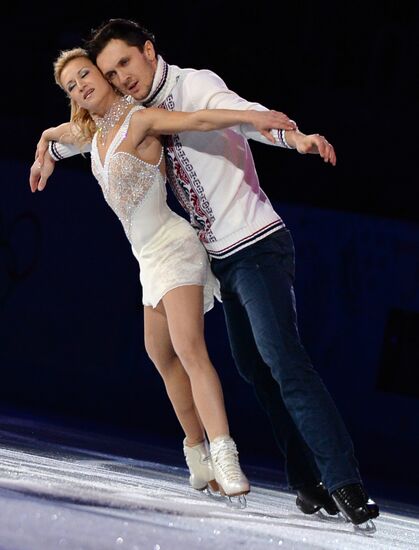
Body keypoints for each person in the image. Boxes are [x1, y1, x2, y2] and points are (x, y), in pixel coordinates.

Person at [31, 19, 379, 527]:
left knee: (281, 358)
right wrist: (45, 153)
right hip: (214, 255)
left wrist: (294, 137)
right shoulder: (132, 116)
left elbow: (236, 116)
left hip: (255, 243)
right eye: (109, 72)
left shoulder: (194, 85)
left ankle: (345, 481)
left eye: (124, 63)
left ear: (148, 51)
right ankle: (306, 481)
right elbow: (79, 137)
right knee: (254, 370)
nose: (120, 76)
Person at [38, 46, 294, 500]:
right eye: (71, 86)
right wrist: (44, 153)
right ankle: (198, 456)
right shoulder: (89, 132)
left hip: (175, 247)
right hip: (147, 258)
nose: (81, 85)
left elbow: (197, 121)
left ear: (103, 74)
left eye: (84, 74)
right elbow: (54, 134)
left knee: (189, 349)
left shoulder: (140, 119)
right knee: (160, 355)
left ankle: (225, 455)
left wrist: (252, 118)